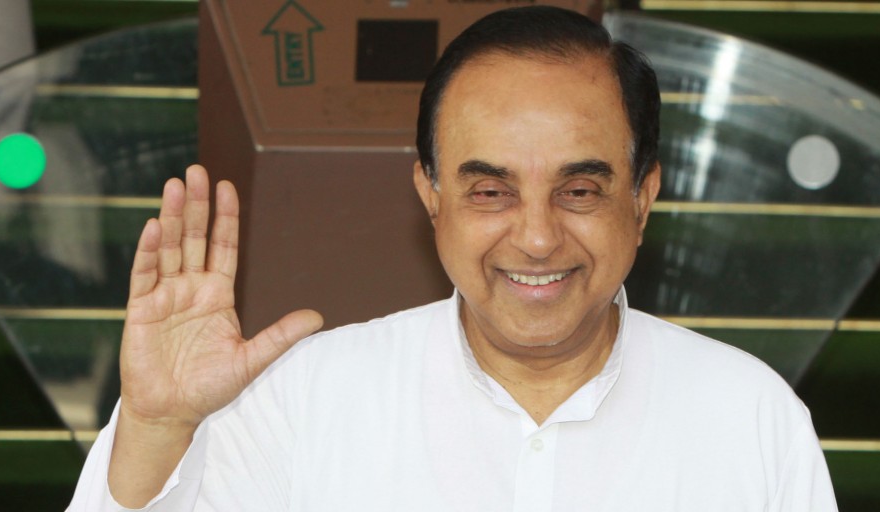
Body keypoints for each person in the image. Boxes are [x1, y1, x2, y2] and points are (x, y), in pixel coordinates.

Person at [68, 6, 837, 511]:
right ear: (430, 194)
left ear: (643, 196)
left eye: (577, 191)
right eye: (491, 192)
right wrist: (155, 426)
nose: (537, 239)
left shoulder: (750, 419)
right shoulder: (307, 402)